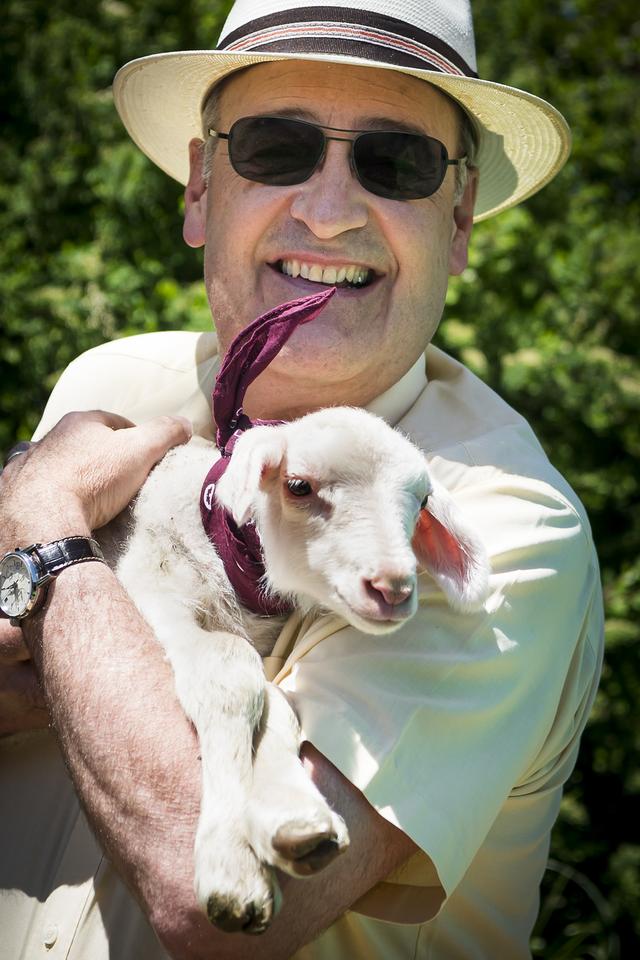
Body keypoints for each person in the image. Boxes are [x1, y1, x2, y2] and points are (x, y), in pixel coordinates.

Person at [0, 1, 603, 957]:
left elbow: (214, 908)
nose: (328, 211)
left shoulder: (500, 522)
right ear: (202, 190)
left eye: (395, 162)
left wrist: (42, 524)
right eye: (276, 149)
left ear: (457, 221)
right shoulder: (106, 385)